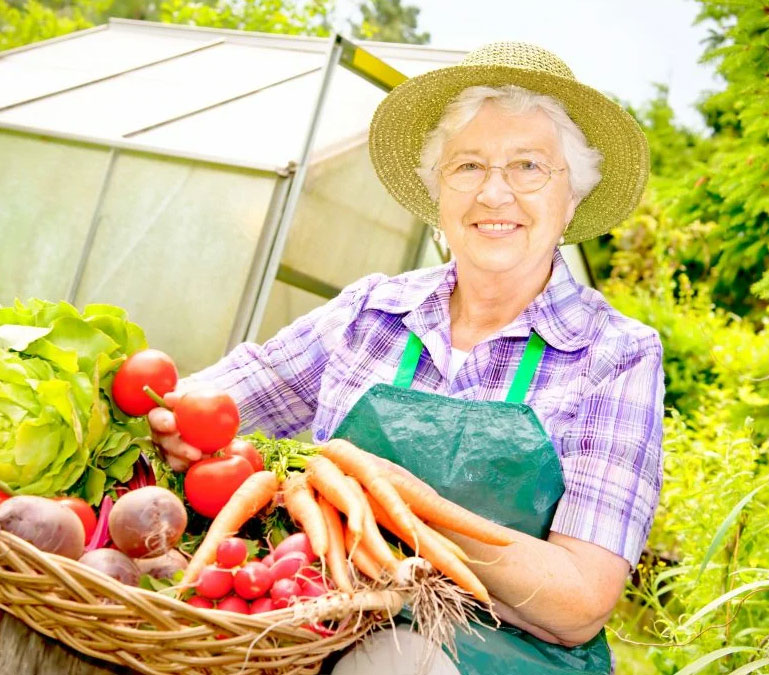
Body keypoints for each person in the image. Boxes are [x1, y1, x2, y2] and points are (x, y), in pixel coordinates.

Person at [149, 41, 664, 675]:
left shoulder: (613, 354)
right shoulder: (372, 311)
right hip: (317, 618)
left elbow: (580, 601)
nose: (494, 193)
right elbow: (220, 399)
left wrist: (405, 506)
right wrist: (170, 423)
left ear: (574, 200)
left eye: (528, 166)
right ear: (439, 197)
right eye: (467, 166)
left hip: (501, 655)